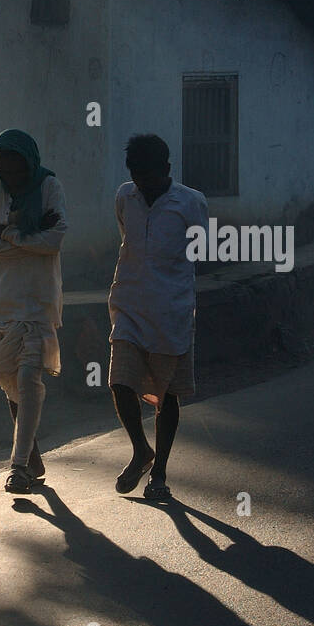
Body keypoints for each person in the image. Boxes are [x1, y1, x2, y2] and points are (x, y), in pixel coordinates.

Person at [107, 133, 208, 502]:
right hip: (129, 303)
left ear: (166, 168)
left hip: (171, 311)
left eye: (149, 176)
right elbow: (128, 236)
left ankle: (160, 471)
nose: (143, 184)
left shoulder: (191, 202)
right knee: (120, 381)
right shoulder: (125, 197)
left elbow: (198, 252)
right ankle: (140, 449)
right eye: (137, 177)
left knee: (168, 394)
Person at [0, 129, 67, 493]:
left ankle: (19, 466)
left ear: (30, 164)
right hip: (0, 298)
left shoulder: (49, 187)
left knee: (28, 380)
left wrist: (6, 232)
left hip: (38, 299)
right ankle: (31, 453)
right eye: (5, 172)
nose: (11, 179)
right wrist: (28, 234)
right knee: (9, 378)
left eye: (17, 172)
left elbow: (54, 241)